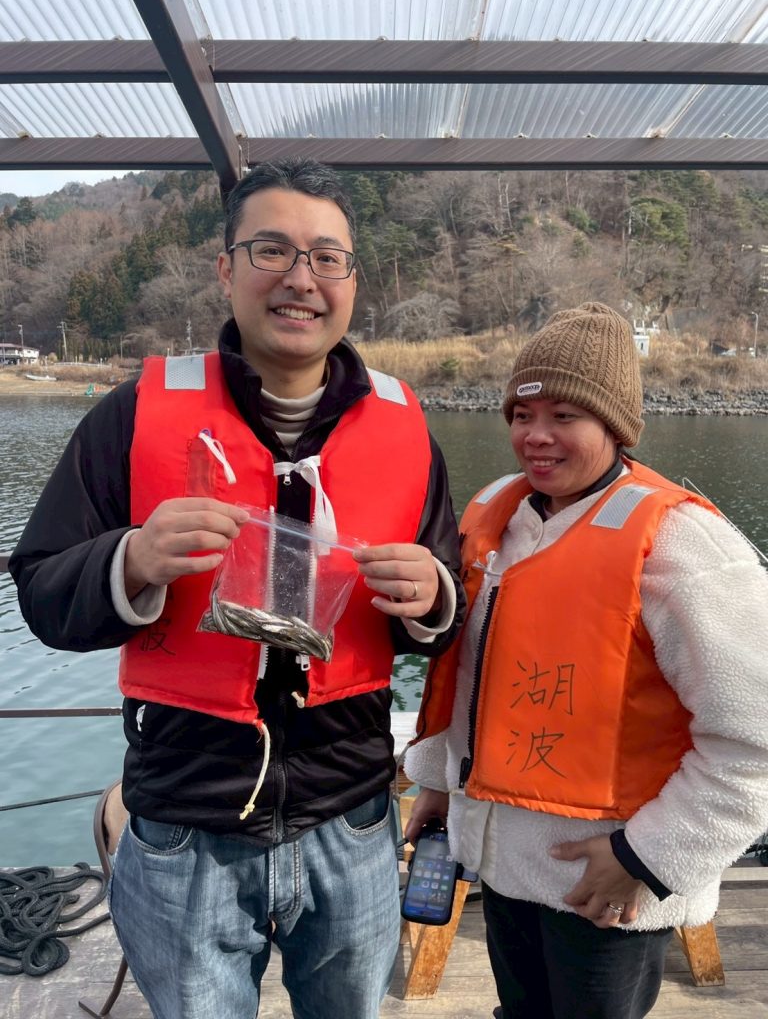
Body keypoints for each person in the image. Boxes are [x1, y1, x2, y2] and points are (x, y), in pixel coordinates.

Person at [9, 157, 465, 1019]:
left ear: (353, 281)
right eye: (272, 250)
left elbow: (448, 616)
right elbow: (39, 591)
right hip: (185, 826)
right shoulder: (133, 416)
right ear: (225, 268)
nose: (302, 278)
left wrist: (434, 594)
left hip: (353, 818)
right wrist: (133, 559)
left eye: (327, 257)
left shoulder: (407, 431)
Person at [403, 302, 768, 1019]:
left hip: (609, 890)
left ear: (616, 426)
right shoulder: (497, 520)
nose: (535, 436)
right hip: (503, 867)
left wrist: (646, 859)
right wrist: (439, 785)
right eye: (521, 414)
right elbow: (473, 682)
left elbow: (754, 736)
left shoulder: (685, 545)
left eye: (564, 416)